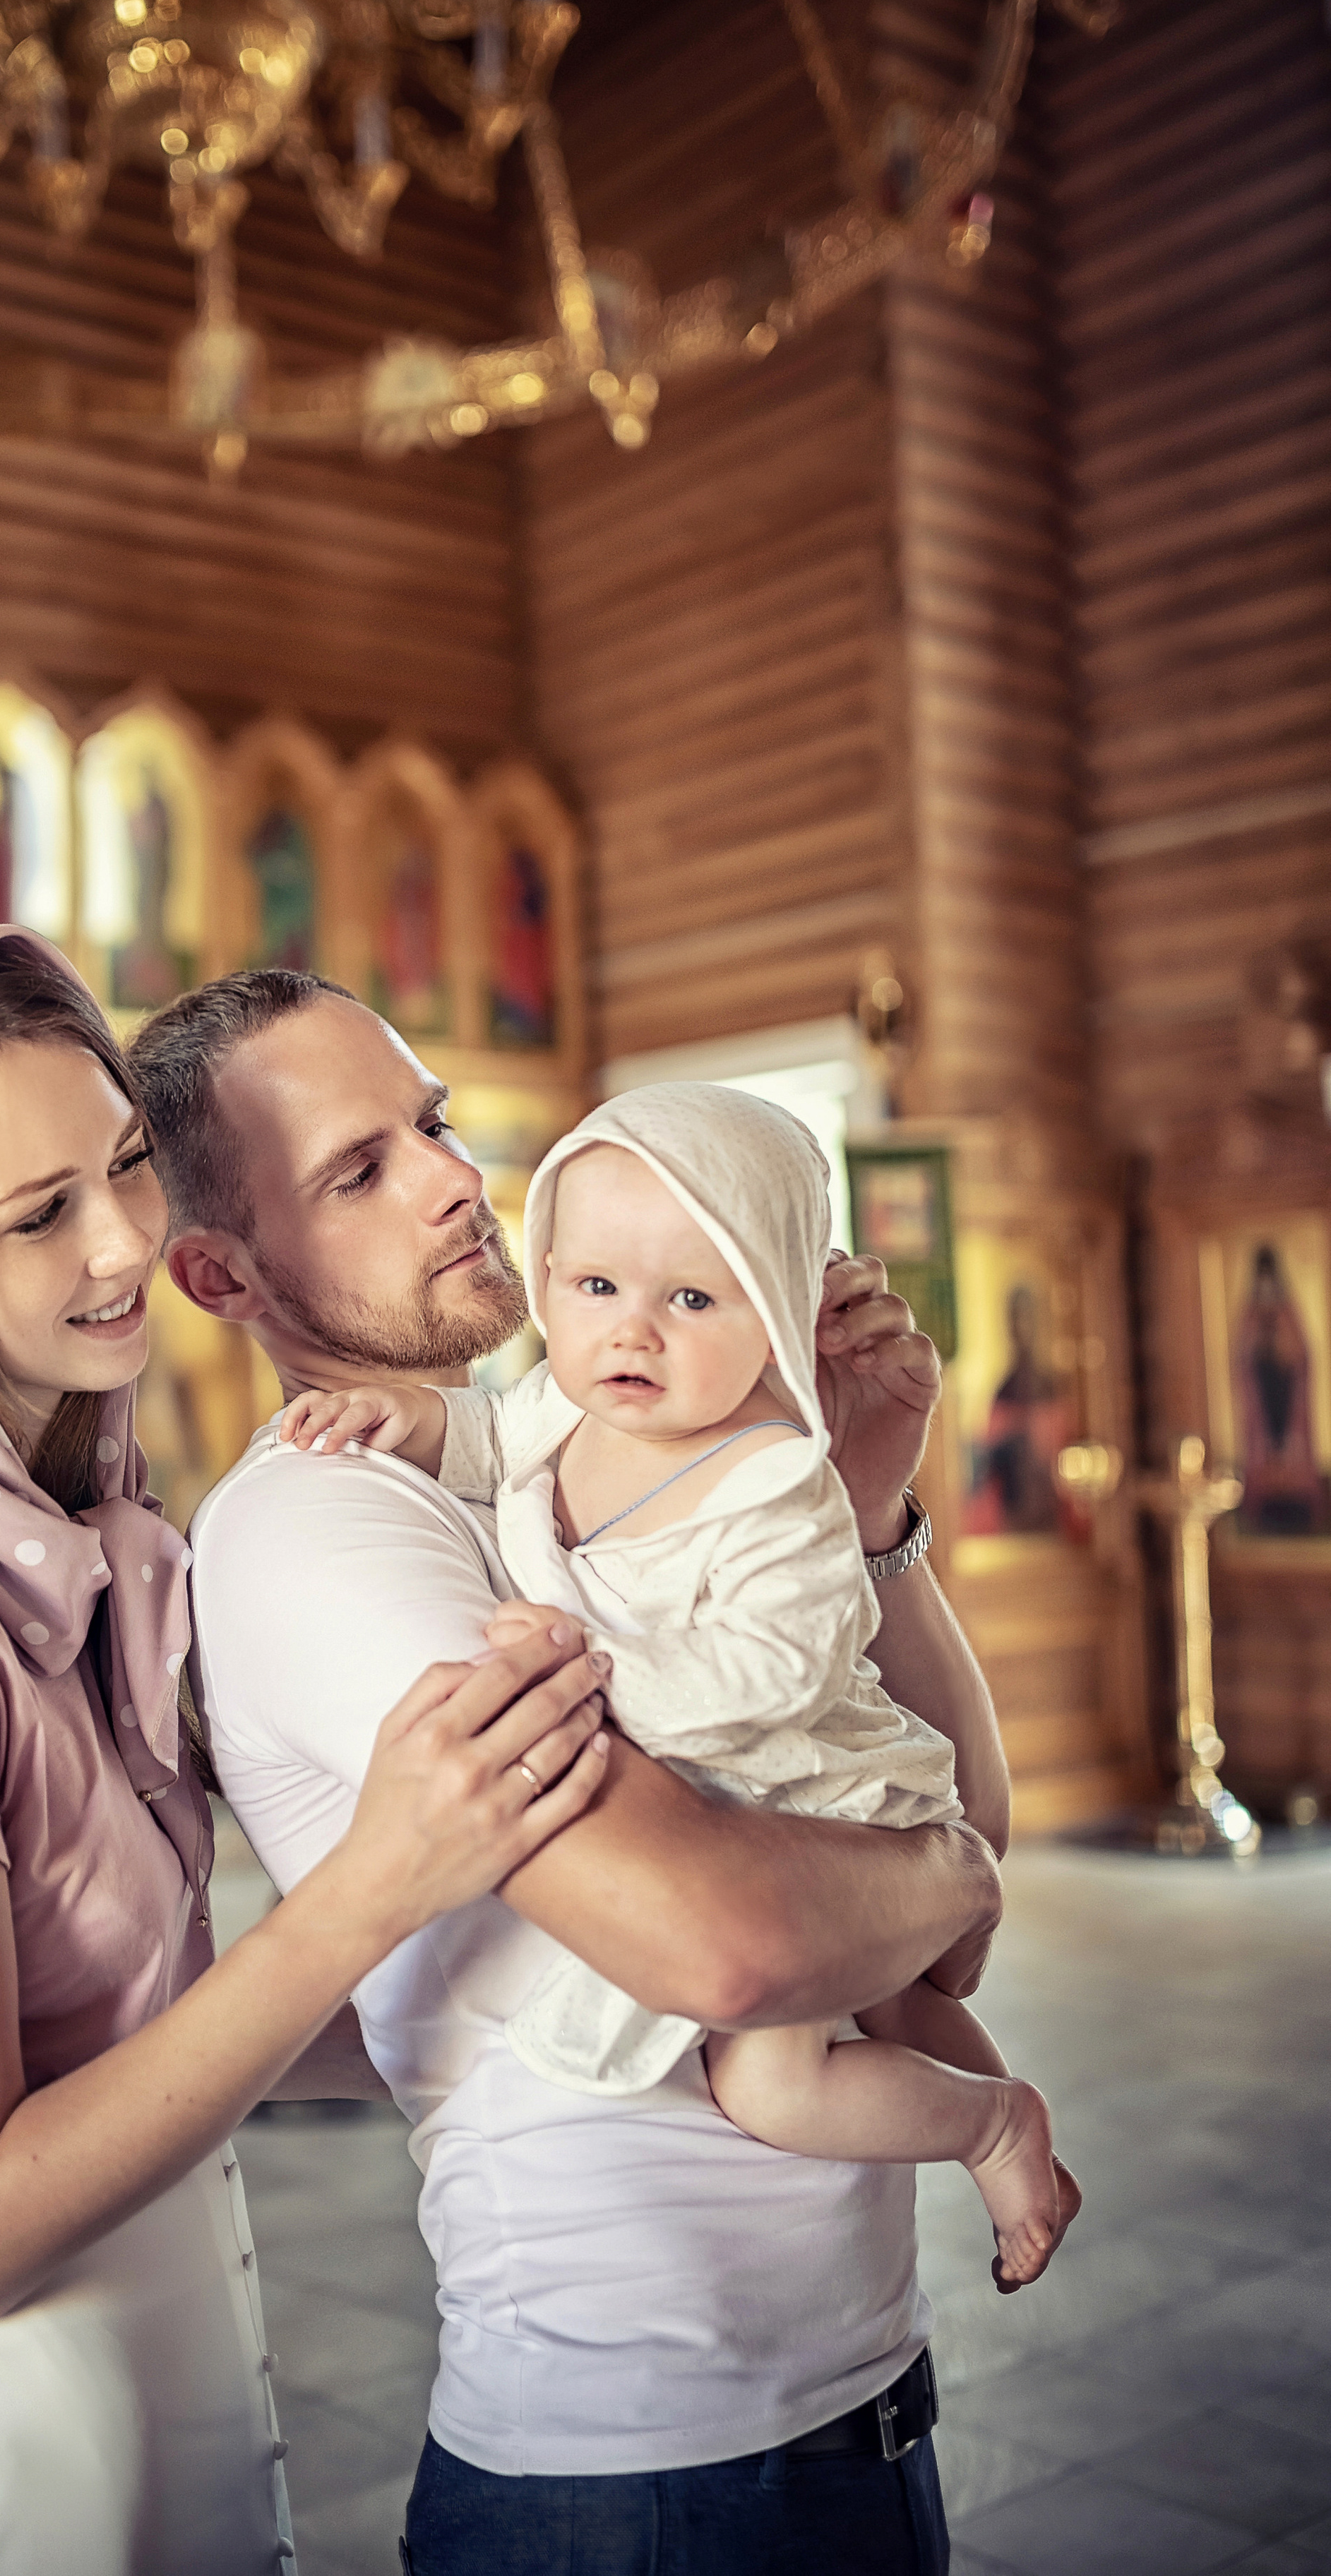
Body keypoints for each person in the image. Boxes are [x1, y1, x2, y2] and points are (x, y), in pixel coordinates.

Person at [0, 927, 612, 2576]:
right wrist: (372, 1887)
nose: (125, 1242)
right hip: (1, 2483)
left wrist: (569, 2041)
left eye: (123, 1166)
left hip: (164, 2410)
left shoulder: (41, 1542)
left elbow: (129, 2031)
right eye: (37, 1215)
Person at [129, 970, 1010, 2576]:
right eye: (359, 1170)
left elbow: (931, 1821)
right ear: (219, 1272)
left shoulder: (580, 1446)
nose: (451, 1179)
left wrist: (867, 1512)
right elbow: (729, 1943)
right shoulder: (320, 1521)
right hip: (641, 2477)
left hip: (844, 2410)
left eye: (432, 1123)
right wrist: (944, 1875)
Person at [280, 1082, 1074, 2294]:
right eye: (596, 1286)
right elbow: (485, 1441)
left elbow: (776, 1674)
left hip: (804, 1793)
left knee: (776, 2080)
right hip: (726, 1805)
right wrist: (400, 1416)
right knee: (902, 2003)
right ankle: (1002, 2120)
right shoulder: (561, 1409)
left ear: (780, 1314)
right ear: (550, 1275)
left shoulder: (775, 1485)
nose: (632, 1334)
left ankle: (994, 2125)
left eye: (692, 1299)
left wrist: (593, 1665)